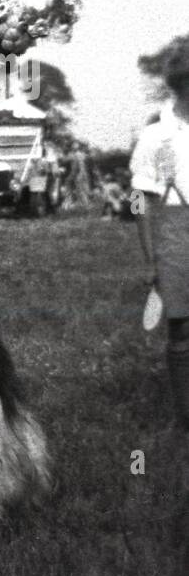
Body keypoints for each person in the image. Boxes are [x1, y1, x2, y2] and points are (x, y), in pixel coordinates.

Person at [131, 45, 189, 429]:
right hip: (174, 230)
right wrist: (151, 258)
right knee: (181, 326)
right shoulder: (156, 136)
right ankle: (186, 413)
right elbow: (139, 199)